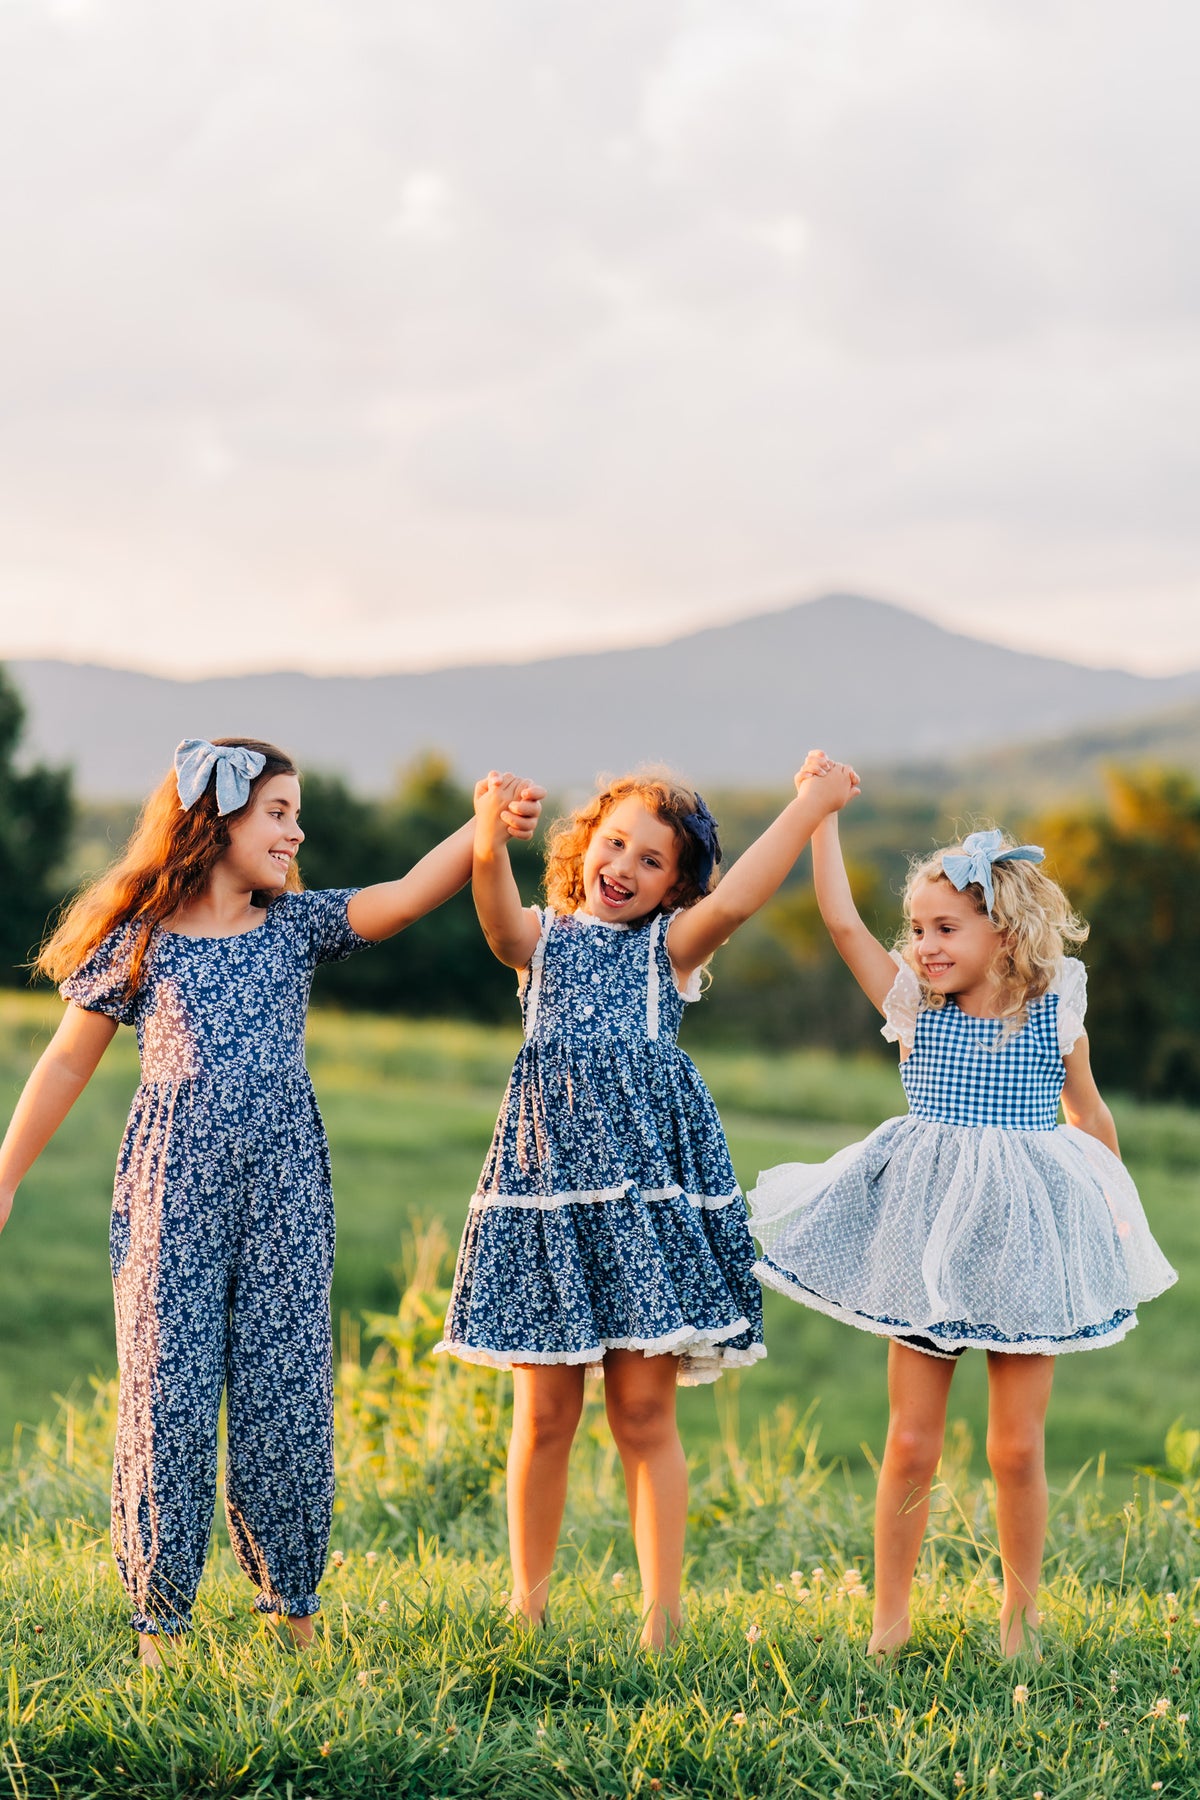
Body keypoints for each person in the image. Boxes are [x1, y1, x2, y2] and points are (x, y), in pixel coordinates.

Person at [0, 737, 542, 1665]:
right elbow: (62, 1063)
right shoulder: (138, 942)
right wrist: (5, 1174)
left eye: (297, 813)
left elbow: (407, 895)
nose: (299, 831)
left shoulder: (294, 927)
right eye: (279, 813)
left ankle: (292, 1610)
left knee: (284, 1398)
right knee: (166, 1397)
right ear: (215, 825)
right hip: (172, 1192)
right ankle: (160, 1627)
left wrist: (481, 828)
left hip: (287, 1188)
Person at [436, 757, 859, 1648]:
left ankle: (661, 1619)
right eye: (614, 841)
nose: (623, 865)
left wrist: (810, 804)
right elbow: (497, 918)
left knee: (641, 1412)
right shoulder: (542, 944)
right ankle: (528, 1606)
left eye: (652, 859)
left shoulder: (666, 953)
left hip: (641, 1212)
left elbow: (741, 899)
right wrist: (485, 835)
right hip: (548, 1201)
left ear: (676, 885)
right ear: (585, 843)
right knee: (544, 1413)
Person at [750, 799, 1177, 1658]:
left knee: (1016, 1447)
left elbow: (1090, 1119)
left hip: (1028, 1237)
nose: (924, 946)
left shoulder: (1056, 1006)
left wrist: (1115, 1218)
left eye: (945, 927)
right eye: (915, 929)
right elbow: (838, 921)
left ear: (1004, 930)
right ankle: (888, 1626)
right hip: (928, 1238)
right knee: (912, 1440)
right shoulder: (914, 1006)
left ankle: (1019, 1623)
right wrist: (823, 812)